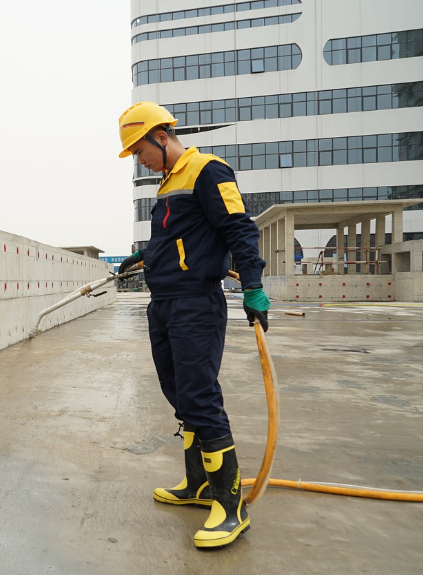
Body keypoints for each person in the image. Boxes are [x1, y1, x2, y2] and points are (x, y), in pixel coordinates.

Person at [116, 101, 270, 549]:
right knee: (180, 396)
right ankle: (199, 486)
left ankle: (231, 504)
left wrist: (254, 286)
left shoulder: (208, 170)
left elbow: (238, 228)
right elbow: (176, 237)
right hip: (163, 303)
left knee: (200, 396)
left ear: (161, 137)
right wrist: (145, 256)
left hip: (194, 305)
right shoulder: (168, 183)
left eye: (139, 150)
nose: (138, 161)